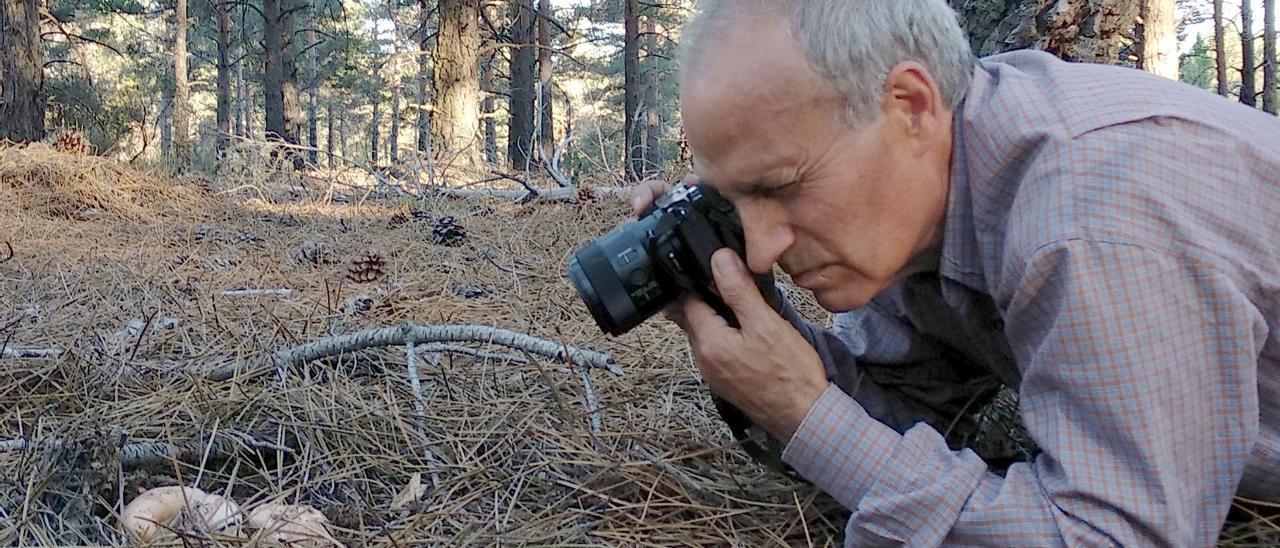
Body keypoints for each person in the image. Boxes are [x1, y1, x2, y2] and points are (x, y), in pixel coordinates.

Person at [629, 0, 1280, 545]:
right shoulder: (928, 199)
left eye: (778, 186)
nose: (761, 249)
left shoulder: (1088, 216)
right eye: (732, 203)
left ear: (910, 106)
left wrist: (810, 416)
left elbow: (1117, 537)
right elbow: (903, 419)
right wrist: (755, 328)